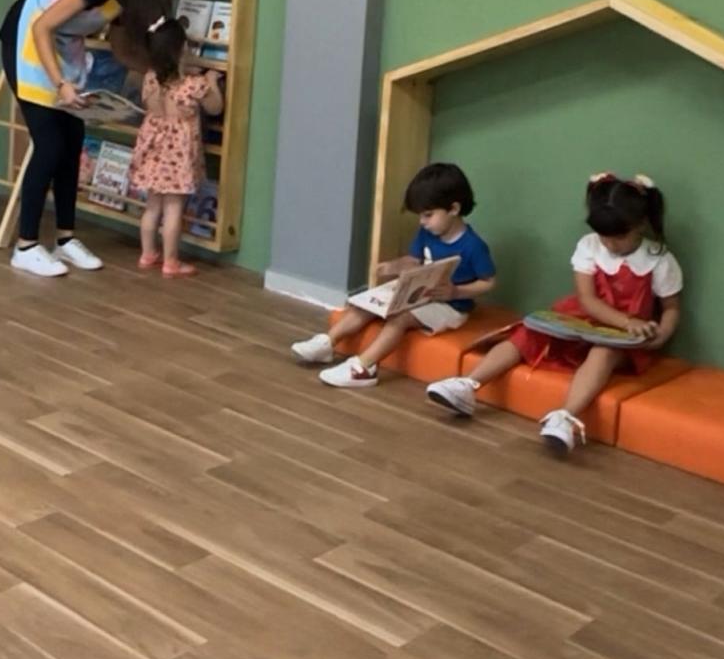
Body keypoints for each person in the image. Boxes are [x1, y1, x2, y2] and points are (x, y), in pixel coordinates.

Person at [426, 173, 683, 454]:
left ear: (641, 224)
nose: (610, 244)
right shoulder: (590, 246)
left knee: (603, 352)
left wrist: (660, 335)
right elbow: (587, 299)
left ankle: (565, 417)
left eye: (619, 237)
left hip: (622, 335)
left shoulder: (659, 260)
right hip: (584, 319)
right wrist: (626, 320)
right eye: (604, 237)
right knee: (528, 332)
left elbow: (671, 307)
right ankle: (468, 384)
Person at [0, 0, 181, 277]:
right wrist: (60, 84)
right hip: (27, 44)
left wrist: (162, 73)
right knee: (49, 146)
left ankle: (65, 239)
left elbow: (121, 49)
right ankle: (25, 246)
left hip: (64, 51)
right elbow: (41, 28)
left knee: (72, 143)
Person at [292, 163, 496, 389]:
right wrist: (392, 267)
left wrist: (455, 292)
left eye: (428, 215)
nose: (422, 221)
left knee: (399, 318)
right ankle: (327, 343)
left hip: (450, 306)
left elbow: (488, 283)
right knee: (366, 304)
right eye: (421, 215)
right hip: (420, 293)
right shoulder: (428, 232)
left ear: (454, 209)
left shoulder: (473, 246)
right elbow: (414, 260)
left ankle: (364, 367)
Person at [128, 17, 223, 278]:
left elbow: (152, 102)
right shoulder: (194, 84)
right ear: (182, 49)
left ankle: (148, 253)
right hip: (177, 156)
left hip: (153, 148)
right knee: (173, 208)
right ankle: (171, 261)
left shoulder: (150, 79)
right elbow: (215, 107)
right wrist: (211, 81)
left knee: (152, 207)